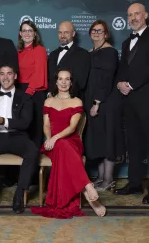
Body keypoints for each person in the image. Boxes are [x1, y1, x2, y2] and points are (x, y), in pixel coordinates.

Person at [31, 69, 106, 218]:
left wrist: (55, 138)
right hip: (51, 142)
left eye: (67, 79)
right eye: (60, 79)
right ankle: (87, 188)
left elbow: (72, 128)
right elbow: (46, 126)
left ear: (71, 82)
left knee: (63, 145)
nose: (64, 82)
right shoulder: (49, 101)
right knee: (60, 146)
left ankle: (87, 189)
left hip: (71, 141)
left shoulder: (77, 101)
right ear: (56, 81)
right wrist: (49, 139)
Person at [114, 3, 149, 204]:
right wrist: (120, 83)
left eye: (137, 14)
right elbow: (123, 68)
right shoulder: (127, 42)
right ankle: (135, 184)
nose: (133, 17)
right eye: (130, 15)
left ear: (145, 15)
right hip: (129, 101)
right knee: (134, 145)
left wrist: (131, 84)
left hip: (148, 100)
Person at [0, 64, 39, 214]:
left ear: (15, 76)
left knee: (32, 151)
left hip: (17, 135)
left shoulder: (25, 97)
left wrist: (3, 121)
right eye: (2, 74)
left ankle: (19, 194)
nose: (5, 77)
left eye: (9, 73)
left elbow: (25, 123)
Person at [84, 20, 124, 191]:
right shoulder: (90, 52)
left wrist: (97, 102)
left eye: (100, 31)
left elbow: (107, 79)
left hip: (105, 102)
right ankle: (101, 178)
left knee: (108, 140)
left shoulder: (110, 52)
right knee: (98, 140)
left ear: (106, 34)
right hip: (92, 101)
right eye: (94, 30)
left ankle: (108, 180)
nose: (96, 33)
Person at [17, 20, 48, 148]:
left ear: (35, 34)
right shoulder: (18, 52)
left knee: (34, 128)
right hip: (20, 90)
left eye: (30, 30)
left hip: (34, 92)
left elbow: (40, 74)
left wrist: (28, 93)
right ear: (20, 33)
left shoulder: (39, 50)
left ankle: (33, 161)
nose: (27, 33)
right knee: (21, 127)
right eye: (24, 30)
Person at [47, 21, 90, 99]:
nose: (62, 35)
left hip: (72, 100)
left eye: (66, 32)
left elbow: (81, 81)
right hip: (53, 100)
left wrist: (64, 96)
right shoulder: (53, 54)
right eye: (60, 32)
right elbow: (49, 77)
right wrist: (50, 93)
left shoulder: (83, 54)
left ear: (73, 34)